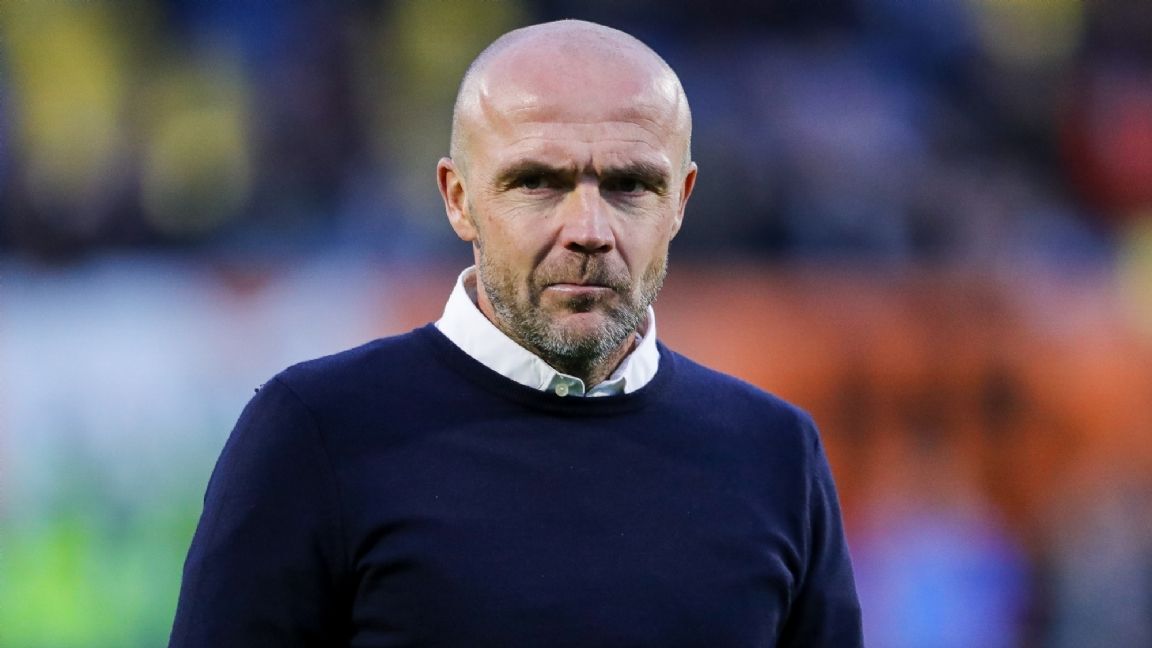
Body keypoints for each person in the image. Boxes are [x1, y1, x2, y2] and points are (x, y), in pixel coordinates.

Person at [169, 19, 862, 647]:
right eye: (537, 182)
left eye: (629, 186)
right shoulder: (316, 432)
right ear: (459, 199)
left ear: (679, 202)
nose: (589, 230)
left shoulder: (775, 454)